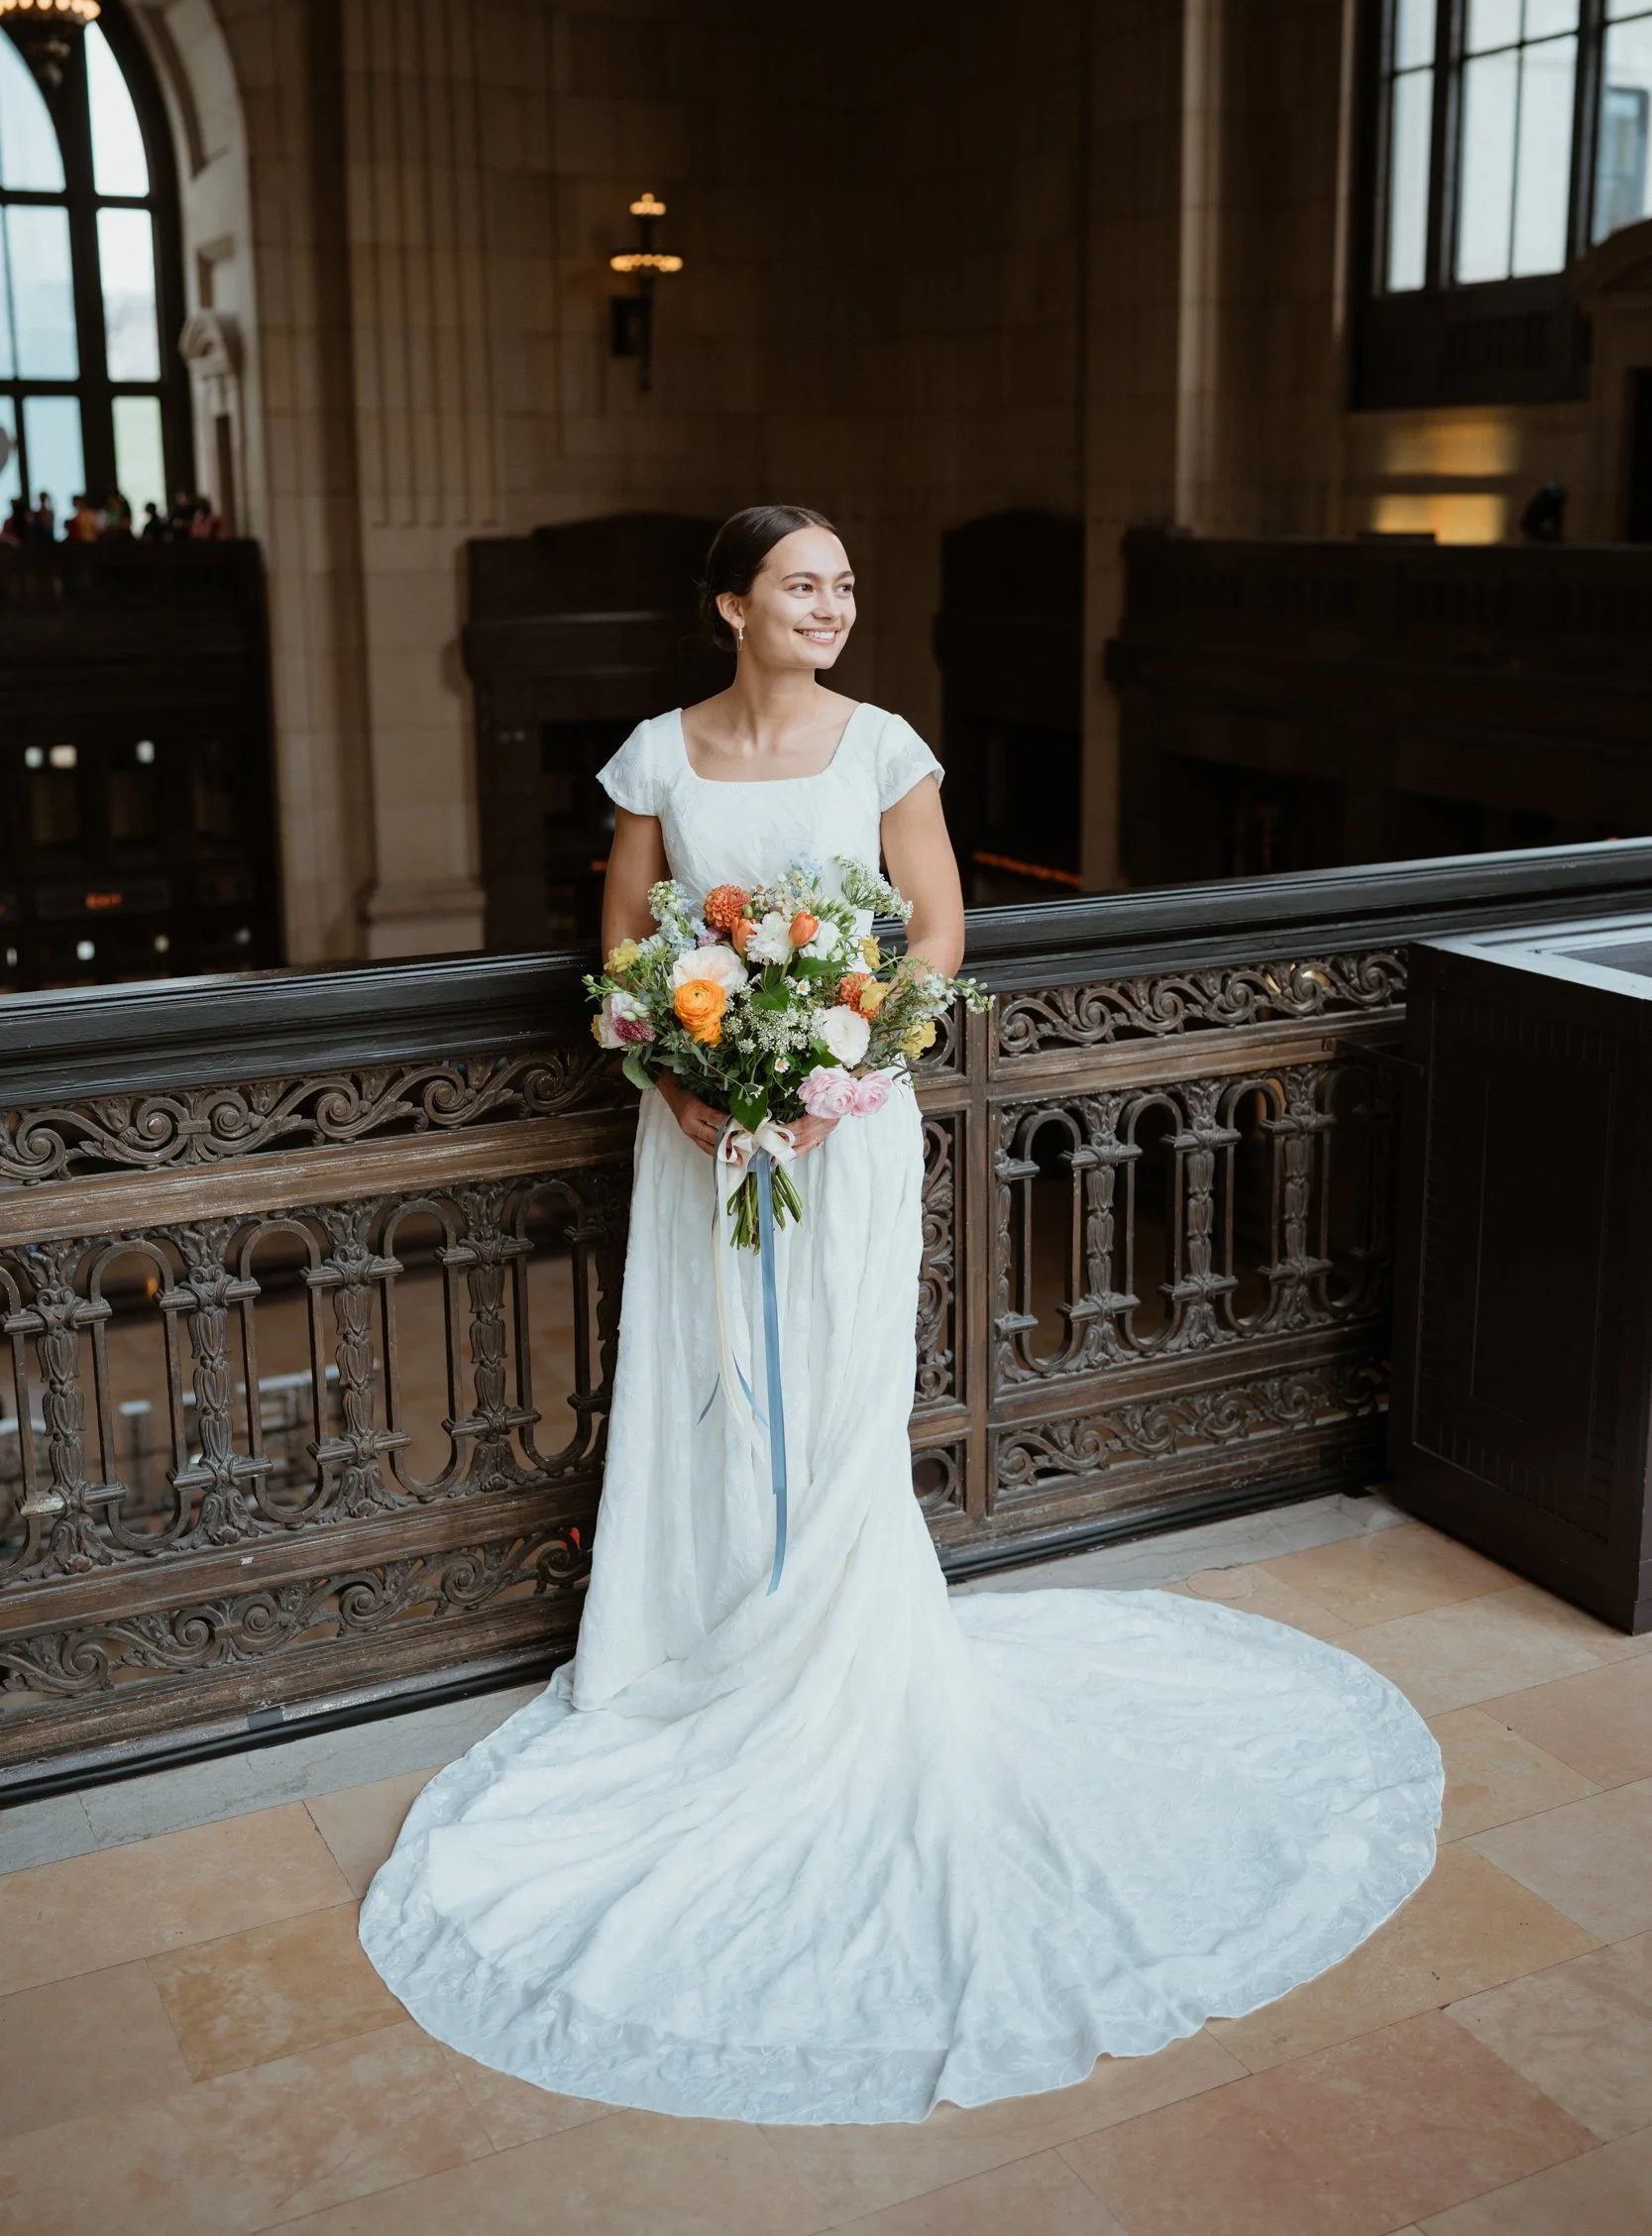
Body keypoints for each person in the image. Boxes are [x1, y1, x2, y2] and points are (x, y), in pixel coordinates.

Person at [361, 503, 1443, 2126]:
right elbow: (621, 949)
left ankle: (827, 1643)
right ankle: (705, 1625)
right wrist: (682, 1080)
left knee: (839, 1388)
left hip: (844, 1132)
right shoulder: (654, 755)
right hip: (700, 1136)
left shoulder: (884, 748)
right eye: (801, 583)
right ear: (730, 602)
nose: (832, 606)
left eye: (846, 584)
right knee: (712, 1377)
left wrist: (831, 1074)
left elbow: (934, 941)